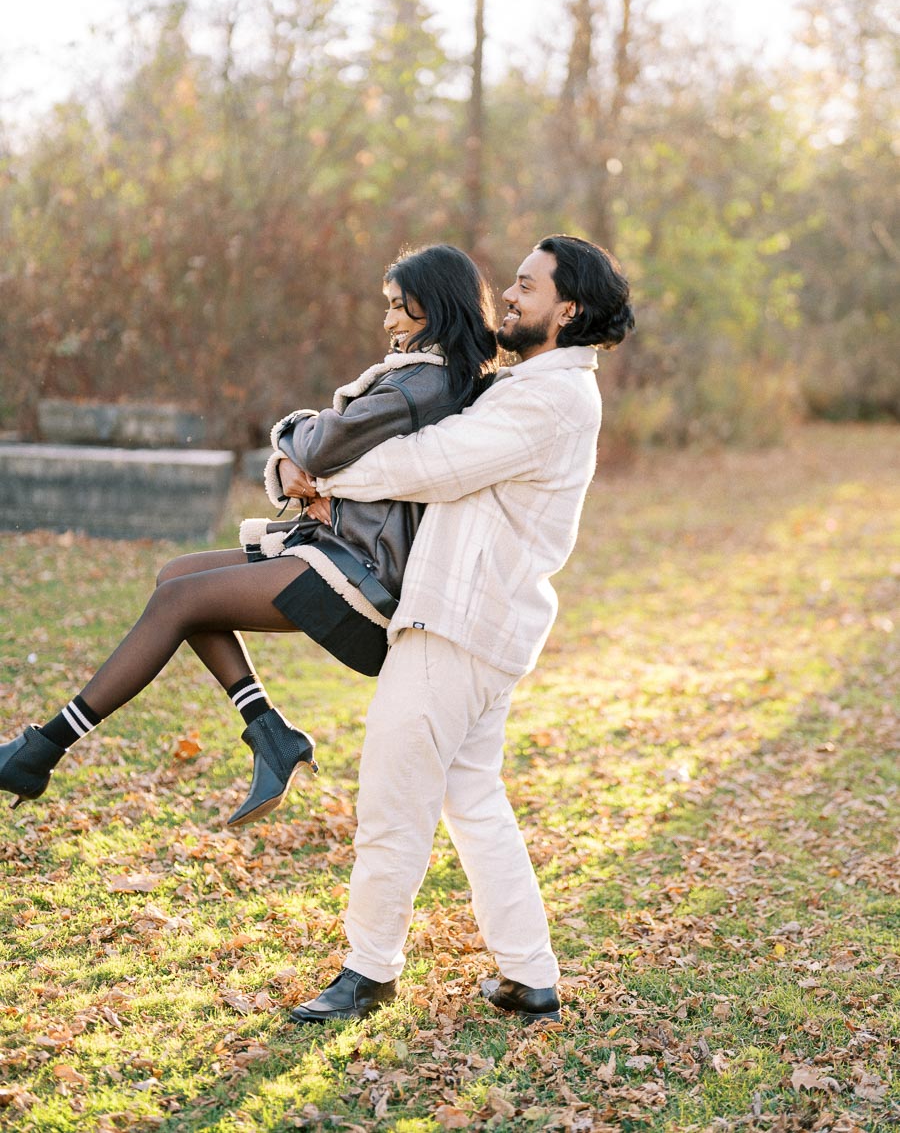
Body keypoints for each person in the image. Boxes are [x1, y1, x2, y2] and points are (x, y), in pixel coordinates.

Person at [0, 245, 497, 828]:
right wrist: (295, 464)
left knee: (180, 601)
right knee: (177, 577)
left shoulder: (418, 386)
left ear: (433, 309)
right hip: (337, 546)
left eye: (398, 308)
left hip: (362, 575)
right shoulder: (420, 381)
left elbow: (319, 445)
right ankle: (270, 734)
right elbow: (327, 451)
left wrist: (290, 438)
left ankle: (43, 749)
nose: (387, 322)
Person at [285, 234, 634, 1027]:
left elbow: (427, 464)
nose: (507, 296)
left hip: (461, 623)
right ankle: (529, 974)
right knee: (472, 799)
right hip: (482, 623)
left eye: (524, 286)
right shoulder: (539, 388)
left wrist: (318, 473)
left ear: (566, 309)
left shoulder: (549, 398)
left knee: (392, 798)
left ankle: (368, 973)